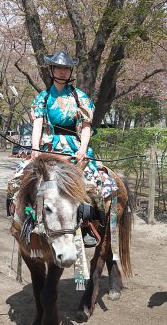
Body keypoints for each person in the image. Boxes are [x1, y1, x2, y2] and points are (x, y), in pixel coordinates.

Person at [7, 50, 118, 246]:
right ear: (52, 69)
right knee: (18, 177)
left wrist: (83, 148)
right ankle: (23, 221)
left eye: (66, 68)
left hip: (74, 147)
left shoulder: (80, 98)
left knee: (95, 181)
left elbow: (85, 127)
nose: (62, 72)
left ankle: (87, 226)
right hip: (47, 146)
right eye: (58, 67)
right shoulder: (42, 97)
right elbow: (38, 124)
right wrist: (35, 148)